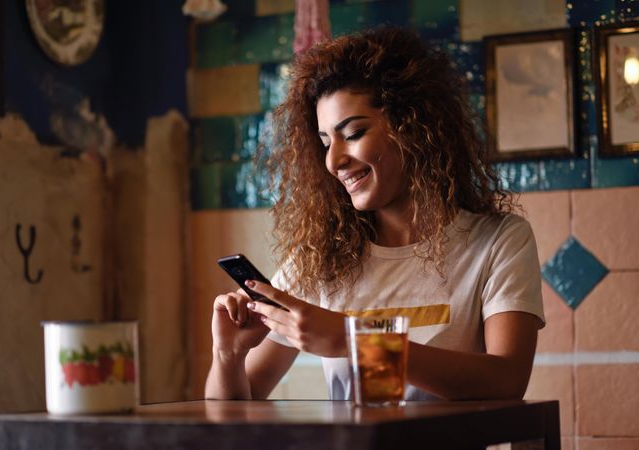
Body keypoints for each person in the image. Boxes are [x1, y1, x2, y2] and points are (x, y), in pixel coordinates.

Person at [205, 26, 544, 401]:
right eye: (325, 143)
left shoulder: (498, 241)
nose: (333, 161)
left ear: (413, 127)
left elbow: (507, 379)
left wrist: (353, 340)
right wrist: (228, 356)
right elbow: (233, 409)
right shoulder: (321, 258)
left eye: (352, 134)